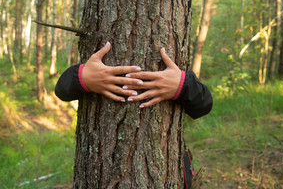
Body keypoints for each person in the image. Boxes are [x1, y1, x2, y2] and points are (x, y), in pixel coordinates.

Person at [55, 42, 213, 188]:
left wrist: (182, 85)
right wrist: (82, 77)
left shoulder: (183, 80)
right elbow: (62, 90)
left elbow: (204, 105)